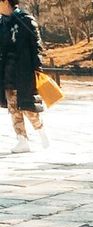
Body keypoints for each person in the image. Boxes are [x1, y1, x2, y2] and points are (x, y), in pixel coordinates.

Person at [0, 0, 47, 154]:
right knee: (13, 107)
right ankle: (22, 140)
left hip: (24, 71)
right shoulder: (2, 23)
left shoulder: (25, 20)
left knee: (27, 105)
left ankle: (41, 131)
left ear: (5, 1)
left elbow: (37, 46)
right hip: (7, 72)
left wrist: (37, 68)